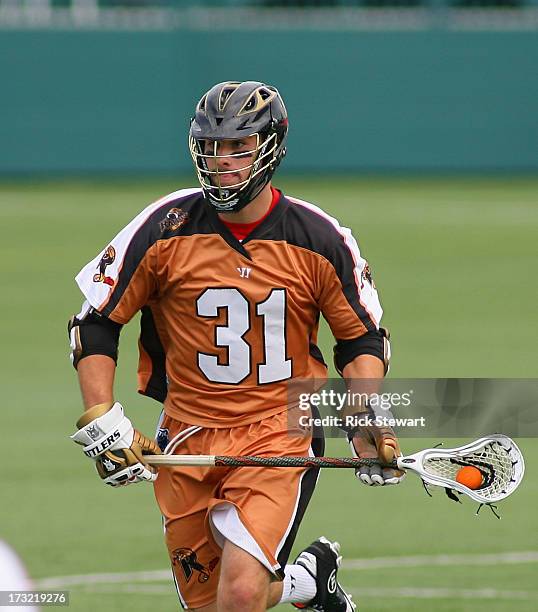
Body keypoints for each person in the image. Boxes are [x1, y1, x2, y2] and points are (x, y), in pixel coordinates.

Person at [69, 81, 404, 612]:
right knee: (211, 600)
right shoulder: (165, 227)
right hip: (187, 433)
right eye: (212, 147)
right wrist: (101, 412)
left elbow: (358, 336)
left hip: (282, 429)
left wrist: (364, 415)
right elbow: (96, 322)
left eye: (238, 147)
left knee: (242, 594)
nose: (222, 161)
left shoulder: (316, 238)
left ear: (271, 148)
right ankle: (309, 583)